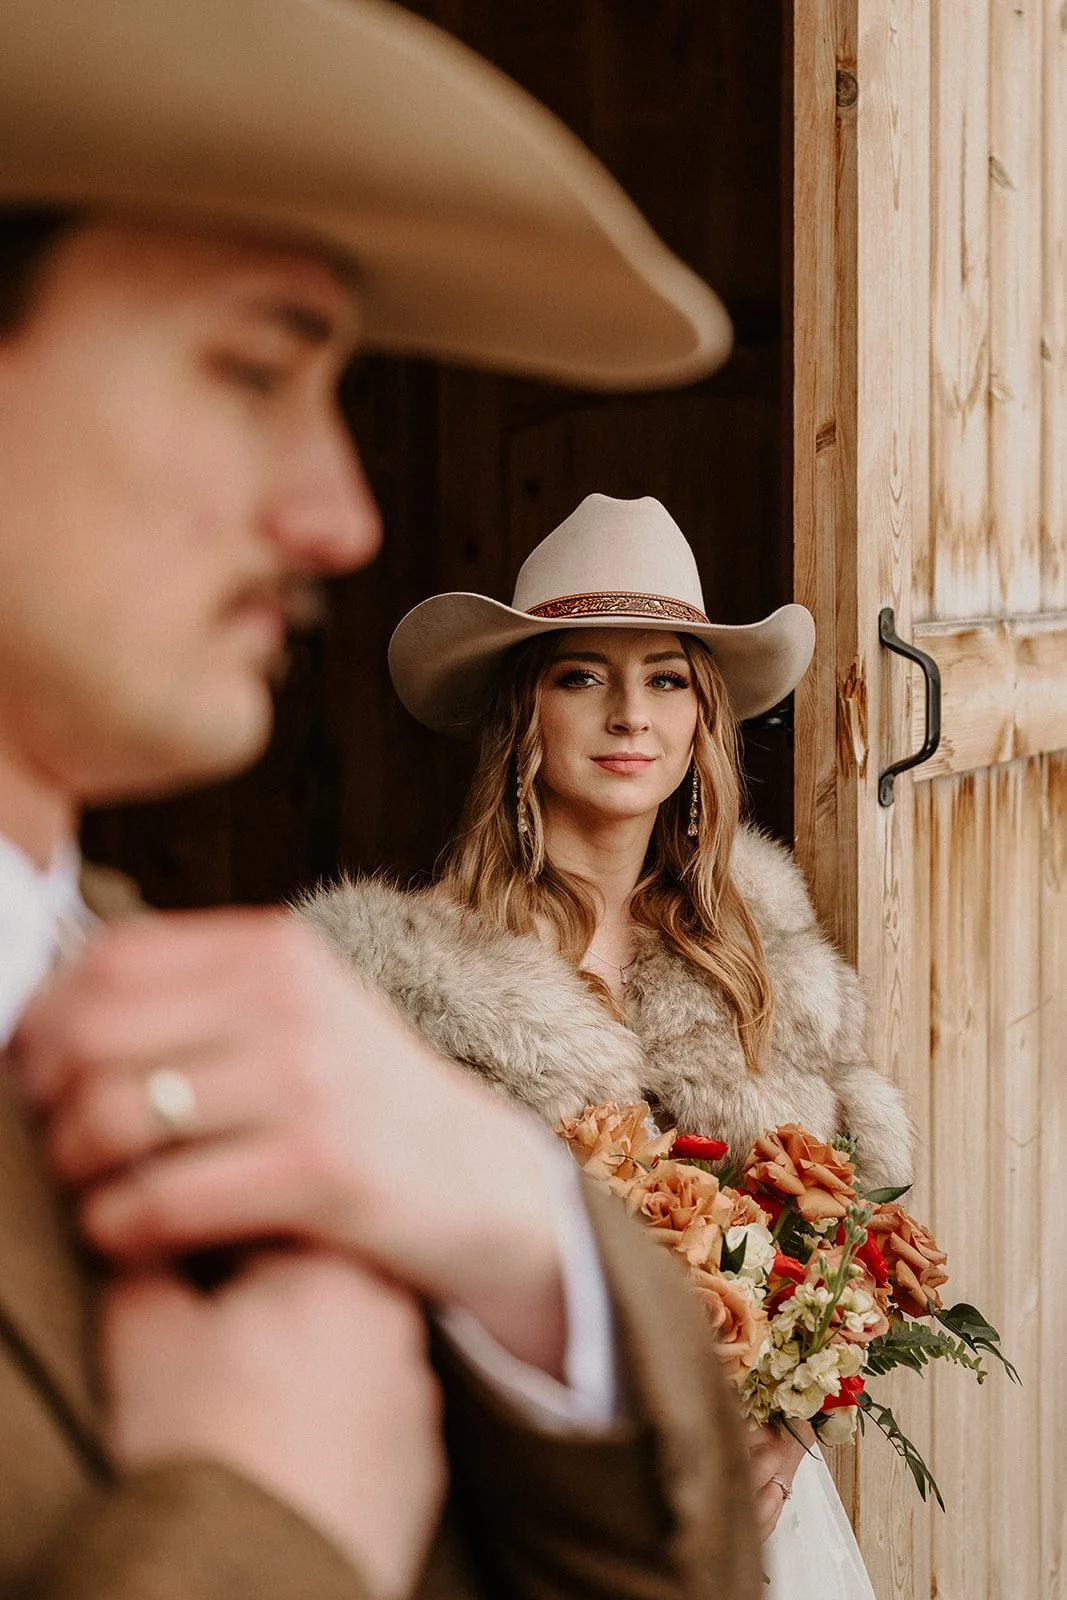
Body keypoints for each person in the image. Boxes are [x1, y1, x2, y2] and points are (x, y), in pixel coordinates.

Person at [0, 4, 763, 1598]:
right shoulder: (383, 965)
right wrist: (266, 1519)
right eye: (251, 370)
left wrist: (521, 1239)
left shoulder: (236, 1011)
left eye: (668, 677)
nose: (340, 515)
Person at [296, 494, 916, 1597]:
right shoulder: (403, 978)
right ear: (522, 713)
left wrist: (792, 1424)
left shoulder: (766, 956)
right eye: (582, 674)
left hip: (756, 1499)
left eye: (666, 677)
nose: (630, 712)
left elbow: (844, 1246)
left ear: (699, 717)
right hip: (518, 1511)